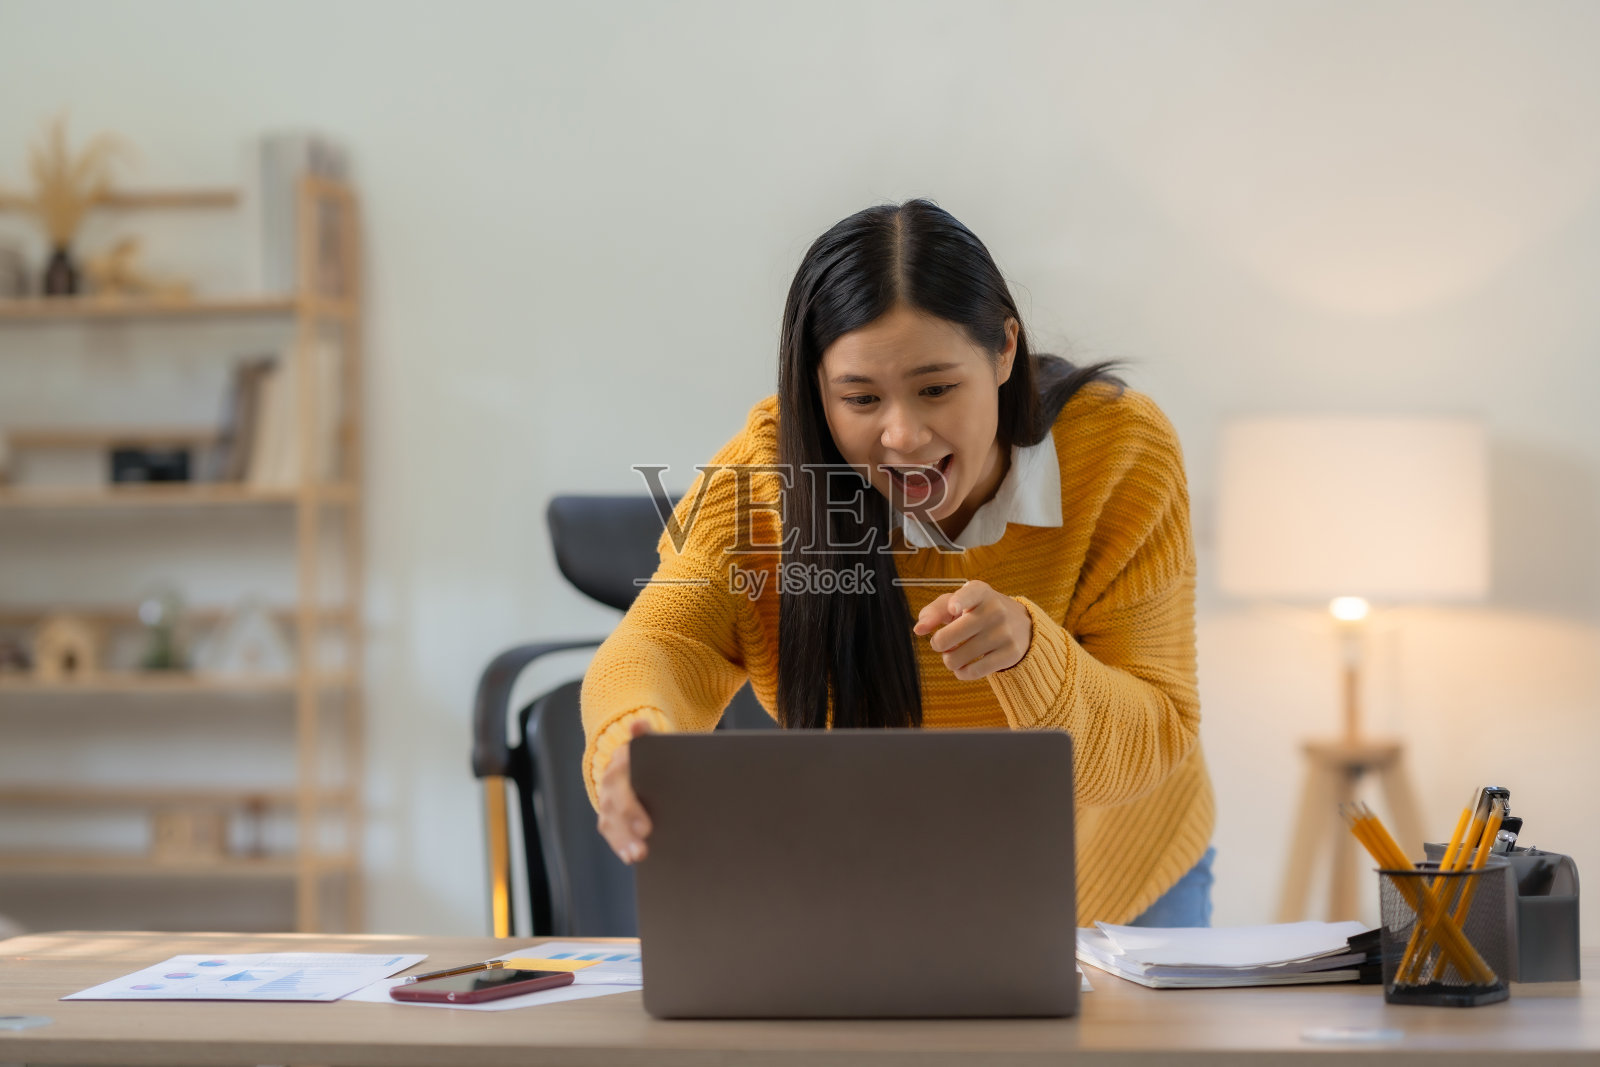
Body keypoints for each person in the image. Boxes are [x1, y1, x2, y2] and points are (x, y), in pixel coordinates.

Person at [580, 199, 1215, 926]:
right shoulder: (767, 479)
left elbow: (1159, 730)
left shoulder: (1119, 453)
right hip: (889, 884)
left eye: (937, 389)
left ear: (1005, 350)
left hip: (1112, 876)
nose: (904, 434)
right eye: (860, 397)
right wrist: (636, 736)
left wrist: (1034, 656)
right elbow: (667, 639)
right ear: (815, 389)